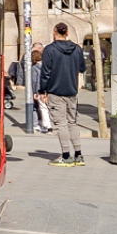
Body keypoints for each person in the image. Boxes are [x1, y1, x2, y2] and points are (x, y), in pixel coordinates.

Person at [39, 22, 87, 166]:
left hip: (56, 90)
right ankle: (78, 155)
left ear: (54, 32)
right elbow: (82, 68)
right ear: (67, 33)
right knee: (72, 122)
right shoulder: (77, 49)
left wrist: (42, 91)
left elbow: (45, 72)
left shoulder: (49, 50)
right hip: (72, 90)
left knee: (61, 124)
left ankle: (66, 156)